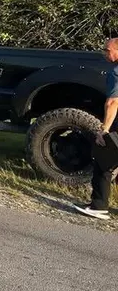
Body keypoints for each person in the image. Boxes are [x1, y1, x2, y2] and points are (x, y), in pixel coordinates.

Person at [74, 38, 118, 220]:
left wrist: (104, 130)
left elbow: (113, 101)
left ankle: (99, 206)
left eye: (107, 50)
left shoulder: (116, 73)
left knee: (103, 161)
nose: (104, 53)